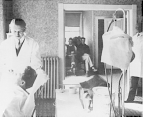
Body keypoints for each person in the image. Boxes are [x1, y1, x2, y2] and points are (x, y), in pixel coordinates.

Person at [125, 32, 143, 103]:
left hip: (142, 60)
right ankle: (130, 99)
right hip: (135, 62)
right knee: (133, 82)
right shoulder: (134, 37)